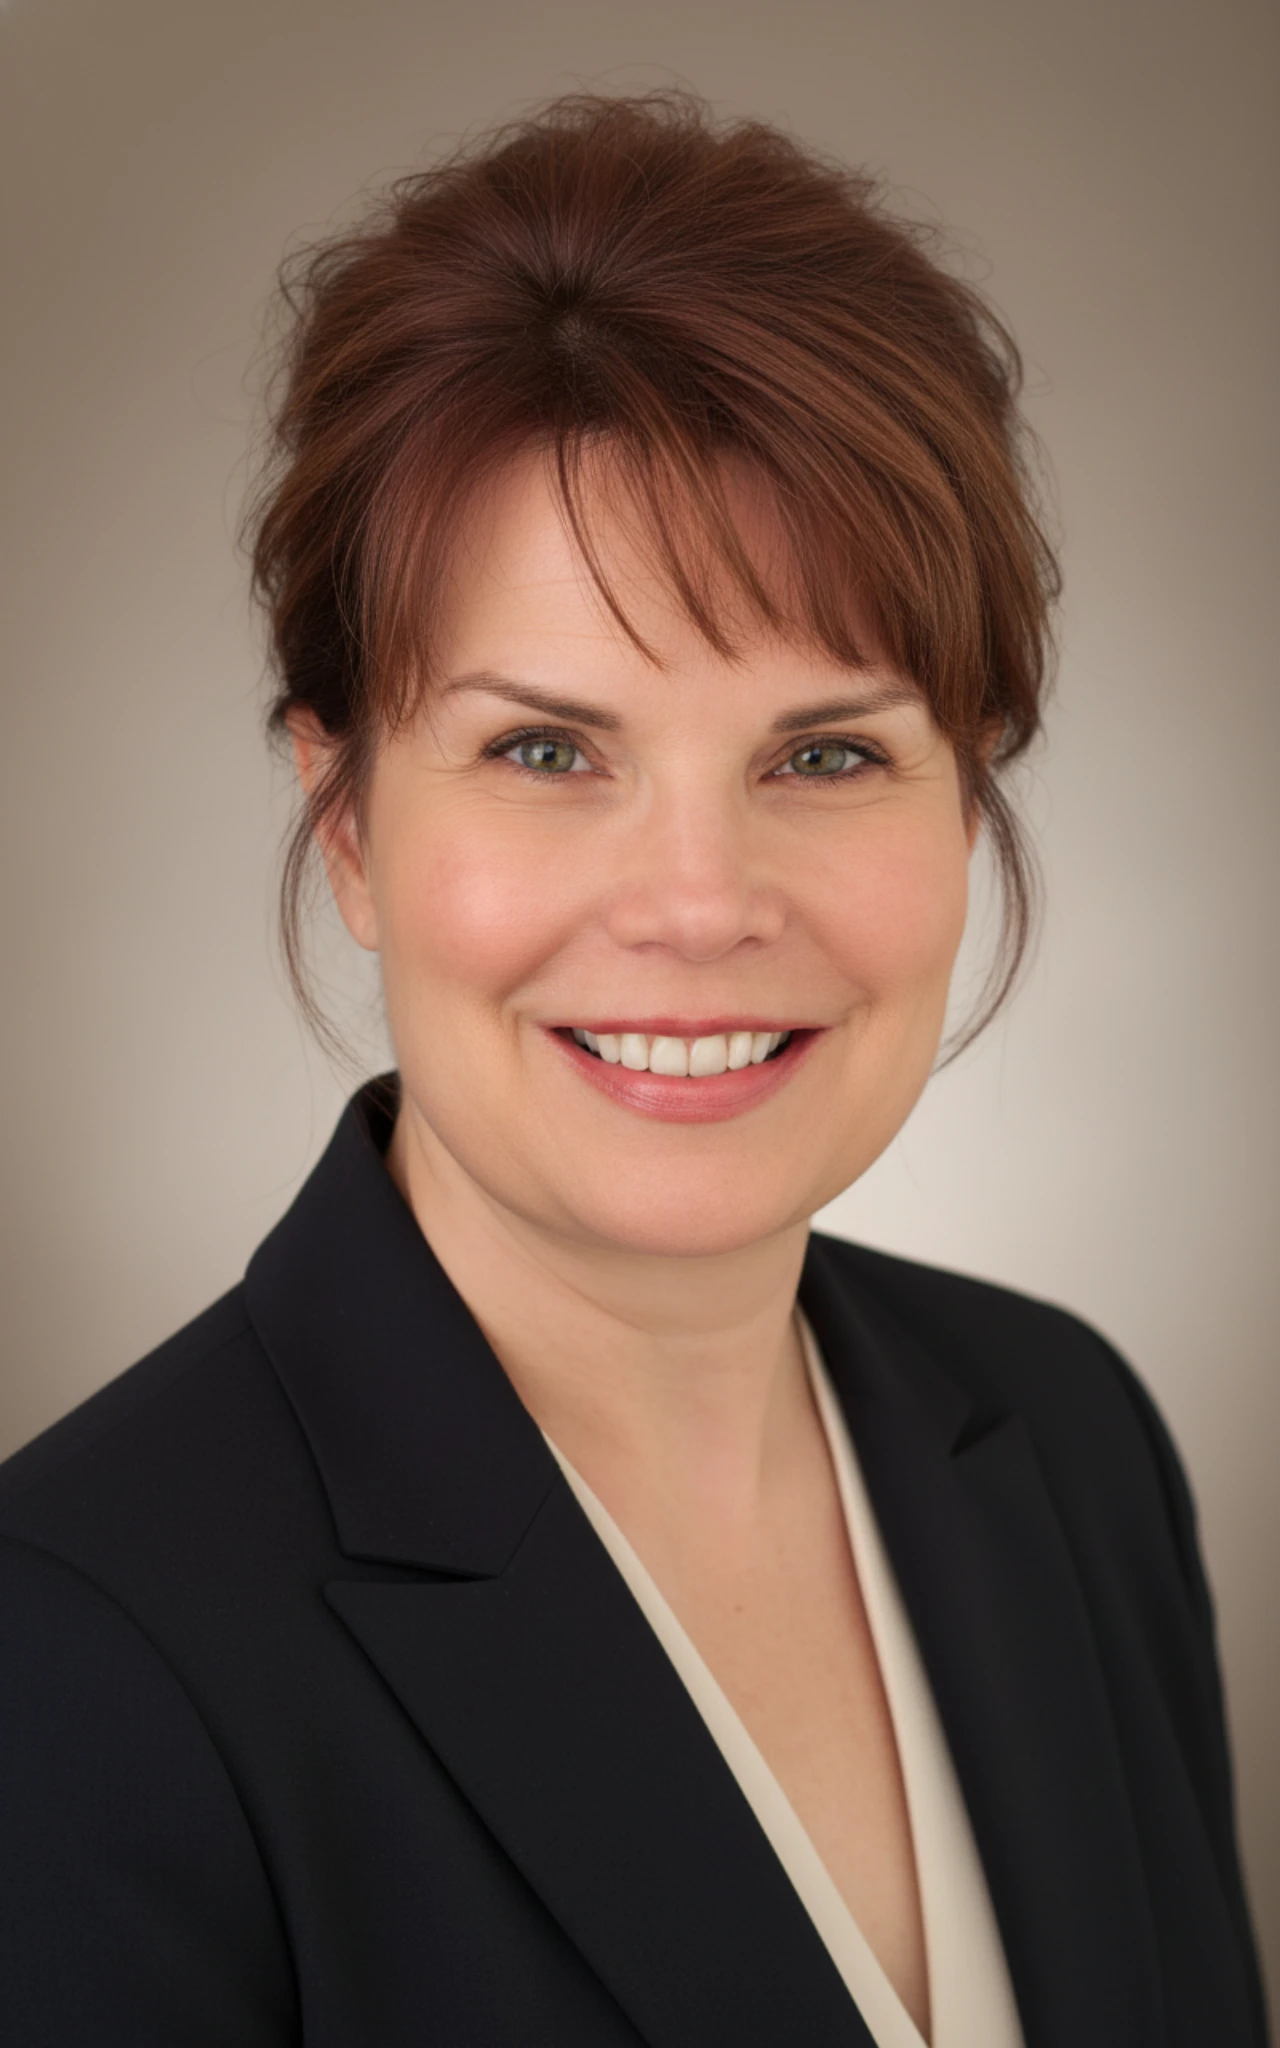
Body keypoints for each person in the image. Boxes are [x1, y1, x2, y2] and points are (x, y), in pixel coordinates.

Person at [0, 92, 1267, 2048]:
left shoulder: (1074, 1441)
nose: (697, 903)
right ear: (344, 817)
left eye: (824, 753)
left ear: (966, 796)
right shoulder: (72, 1653)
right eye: (544, 750)